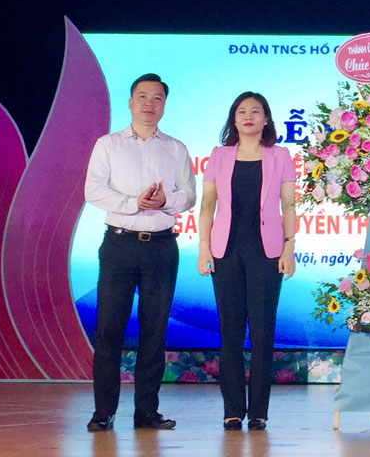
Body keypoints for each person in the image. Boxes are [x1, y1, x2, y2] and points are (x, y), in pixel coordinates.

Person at [84, 73, 196, 431]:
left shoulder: (176, 148)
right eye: (143, 96)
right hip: (119, 245)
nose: (150, 103)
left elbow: (189, 194)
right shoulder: (108, 144)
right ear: (131, 103)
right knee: (109, 330)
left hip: (161, 247)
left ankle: (146, 411)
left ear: (164, 105)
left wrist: (165, 201)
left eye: (157, 98)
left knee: (154, 331)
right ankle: (104, 411)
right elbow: (93, 190)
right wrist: (135, 202)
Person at [197, 91, 296, 431]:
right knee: (230, 333)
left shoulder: (280, 155)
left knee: (263, 332)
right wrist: (204, 247)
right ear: (234, 119)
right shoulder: (219, 155)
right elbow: (207, 204)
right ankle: (233, 410)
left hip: (267, 253)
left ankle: (259, 412)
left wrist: (289, 248)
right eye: (242, 111)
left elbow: (289, 205)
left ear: (266, 119)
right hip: (226, 251)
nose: (249, 115)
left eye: (256, 110)